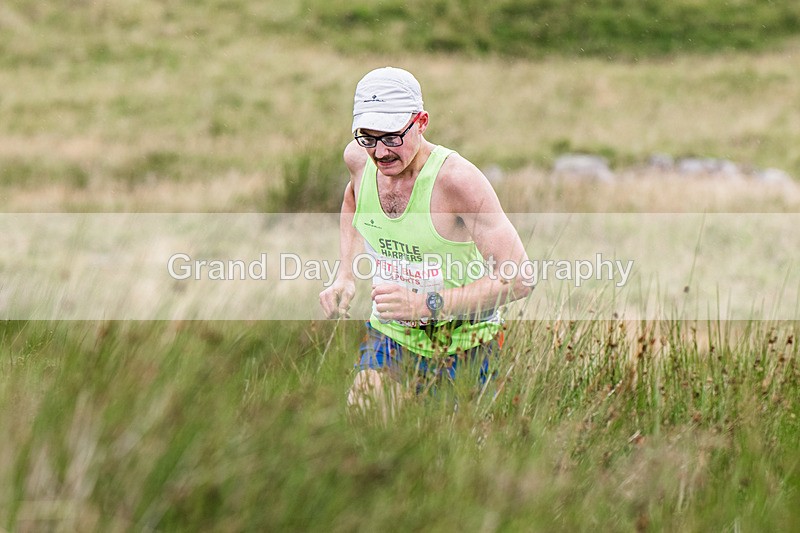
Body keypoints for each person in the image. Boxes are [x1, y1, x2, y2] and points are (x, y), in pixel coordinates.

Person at [319, 67, 531, 413]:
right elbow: (353, 200)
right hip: (392, 336)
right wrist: (345, 275)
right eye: (368, 137)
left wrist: (424, 305)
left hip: (466, 344)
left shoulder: (458, 181)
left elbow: (520, 279)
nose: (380, 152)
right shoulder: (358, 159)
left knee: (453, 444)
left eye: (392, 137)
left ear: (421, 122)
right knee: (366, 415)